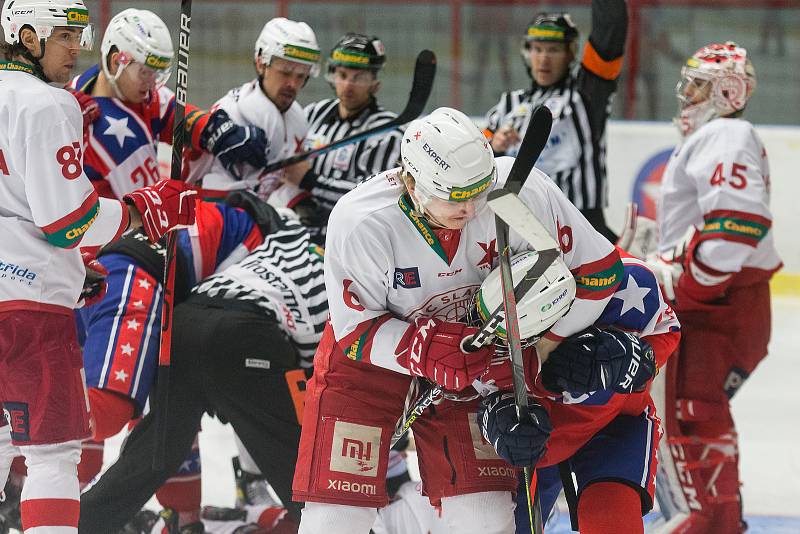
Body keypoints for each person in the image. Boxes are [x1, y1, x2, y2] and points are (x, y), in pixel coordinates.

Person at [291, 107, 624, 534]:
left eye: (479, 191)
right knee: (335, 519)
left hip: (480, 363)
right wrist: (423, 349)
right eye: (453, 196)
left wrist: (540, 351)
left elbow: (598, 273)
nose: (469, 208)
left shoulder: (515, 196)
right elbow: (355, 333)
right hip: (371, 367)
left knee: (484, 519)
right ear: (410, 181)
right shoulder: (363, 222)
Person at [0, 0, 195, 531]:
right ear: (27, 36)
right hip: (29, 310)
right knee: (52, 455)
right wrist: (146, 209)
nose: (75, 50)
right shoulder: (46, 104)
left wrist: (70, 268)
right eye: (64, 36)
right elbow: (67, 223)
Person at [78, 196, 328, 534]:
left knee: (156, 454)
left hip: (184, 320)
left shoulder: (286, 240)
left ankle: (77, 526)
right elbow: (319, 372)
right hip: (240, 331)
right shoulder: (338, 281)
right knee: (303, 478)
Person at [647, 42, 781, 533]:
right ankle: (720, 520)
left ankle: (706, 520)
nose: (688, 93)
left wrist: (687, 287)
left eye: (699, 83)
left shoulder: (727, 132)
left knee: (686, 417)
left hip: (717, 307)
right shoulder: (723, 135)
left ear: (727, 91)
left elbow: (737, 224)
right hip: (730, 305)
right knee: (699, 414)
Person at [475, 248, 680, 534]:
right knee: (495, 523)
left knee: (611, 520)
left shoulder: (624, 280)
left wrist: (635, 360)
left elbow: (664, 331)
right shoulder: (471, 300)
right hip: (533, 440)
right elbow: (448, 382)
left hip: (613, 421)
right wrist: (490, 418)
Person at [69, 8, 269, 200]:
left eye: (156, 74)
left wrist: (214, 130)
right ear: (116, 62)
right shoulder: (110, 131)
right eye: (145, 72)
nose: (151, 83)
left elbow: (169, 112)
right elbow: (154, 213)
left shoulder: (98, 81)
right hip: (111, 230)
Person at [484, 0, 627, 241]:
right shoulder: (508, 105)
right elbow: (473, 163)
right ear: (526, 52)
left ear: (571, 53)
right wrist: (493, 147)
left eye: (553, 50)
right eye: (537, 49)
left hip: (585, 223)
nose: (543, 59)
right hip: (521, 229)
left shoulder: (587, 94)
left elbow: (610, 34)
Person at [192, 17, 319, 207]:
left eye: (301, 76)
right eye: (285, 72)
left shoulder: (297, 119)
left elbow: (277, 183)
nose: (292, 84)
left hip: (250, 226)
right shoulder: (231, 114)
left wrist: (298, 202)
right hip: (201, 220)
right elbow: (205, 193)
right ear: (261, 63)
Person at [296, 32, 402, 243]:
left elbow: (374, 199)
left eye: (359, 78)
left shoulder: (388, 133)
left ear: (375, 82)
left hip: (346, 242)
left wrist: (310, 182)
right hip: (297, 231)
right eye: (342, 75)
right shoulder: (312, 113)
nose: (348, 85)